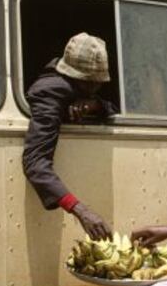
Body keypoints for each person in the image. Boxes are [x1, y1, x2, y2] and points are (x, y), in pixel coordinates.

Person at [22, 32, 115, 240]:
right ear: (75, 76)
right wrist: (80, 210)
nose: (96, 87)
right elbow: (35, 163)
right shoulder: (50, 92)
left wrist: (95, 105)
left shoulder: (78, 91)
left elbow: (111, 106)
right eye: (91, 82)